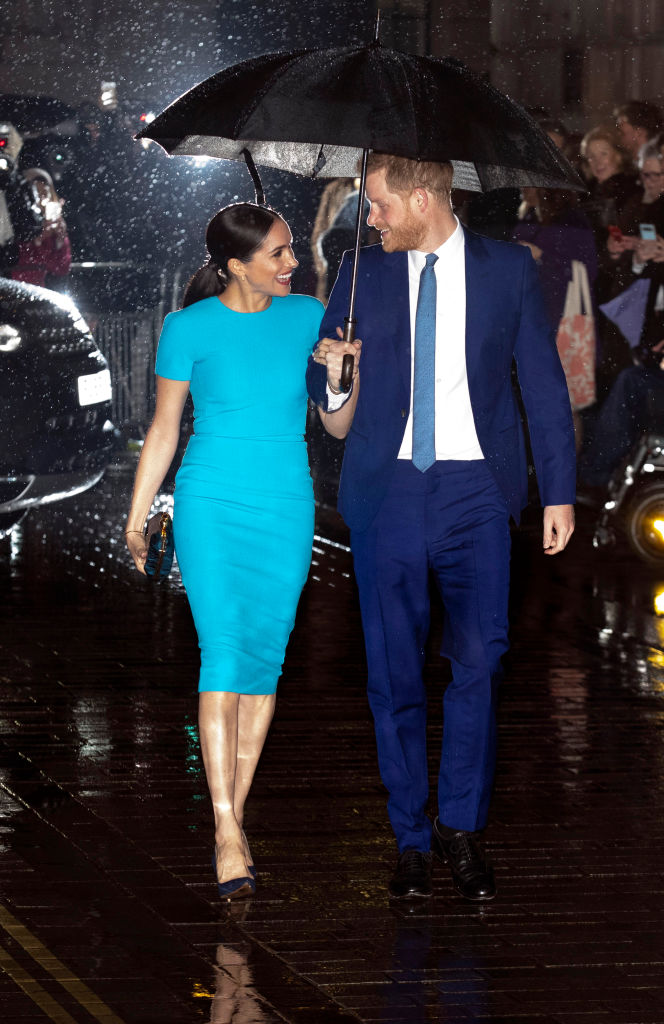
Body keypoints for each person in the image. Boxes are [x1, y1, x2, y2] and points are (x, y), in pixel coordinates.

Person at [306, 153, 576, 903]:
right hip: (387, 488)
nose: (371, 218)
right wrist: (337, 376)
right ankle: (411, 839)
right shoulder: (360, 272)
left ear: (423, 198)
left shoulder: (507, 269)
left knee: (480, 661)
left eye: (380, 204)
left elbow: (543, 385)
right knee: (393, 673)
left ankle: (461, 826)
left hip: (476, 490)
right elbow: (329, 405)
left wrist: (558, 494)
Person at [126, 203, 324, 899]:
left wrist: (339, 376)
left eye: (291, 249)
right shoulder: (188, 327)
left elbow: (337, 420)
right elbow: (164, 428)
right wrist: (137, 517)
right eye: (279, 253)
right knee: (224, 655)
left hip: (286, 502)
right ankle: (225, 828)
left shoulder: (310, 317)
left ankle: (232, 818)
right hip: (210, 502)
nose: (292, 263)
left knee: (264, 663)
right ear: (237, 265)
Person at [11, 169, 71, 287]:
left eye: (45, 193)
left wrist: (59, 241)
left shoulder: (54, 224)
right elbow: (16, 260)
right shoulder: (16, 221)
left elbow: (62, 268)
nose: (42, 200)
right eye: (36, 193)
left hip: (35, 291)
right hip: (10, 287)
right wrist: (39, 239)